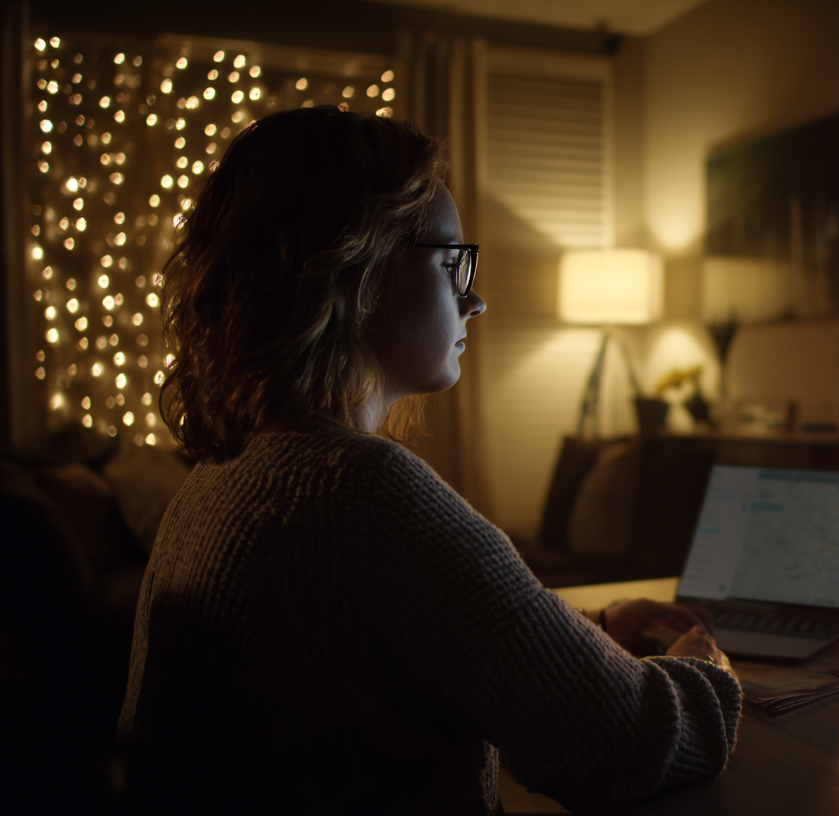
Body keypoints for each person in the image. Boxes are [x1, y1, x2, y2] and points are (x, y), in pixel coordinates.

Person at [117, 105, 740, 814]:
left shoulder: (213, 484)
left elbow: (389, 653)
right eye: (451, 263)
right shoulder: (361, 493)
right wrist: (702, 665)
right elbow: (630, 743)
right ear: (353, 269)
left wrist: (588, 640)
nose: (474, 298)